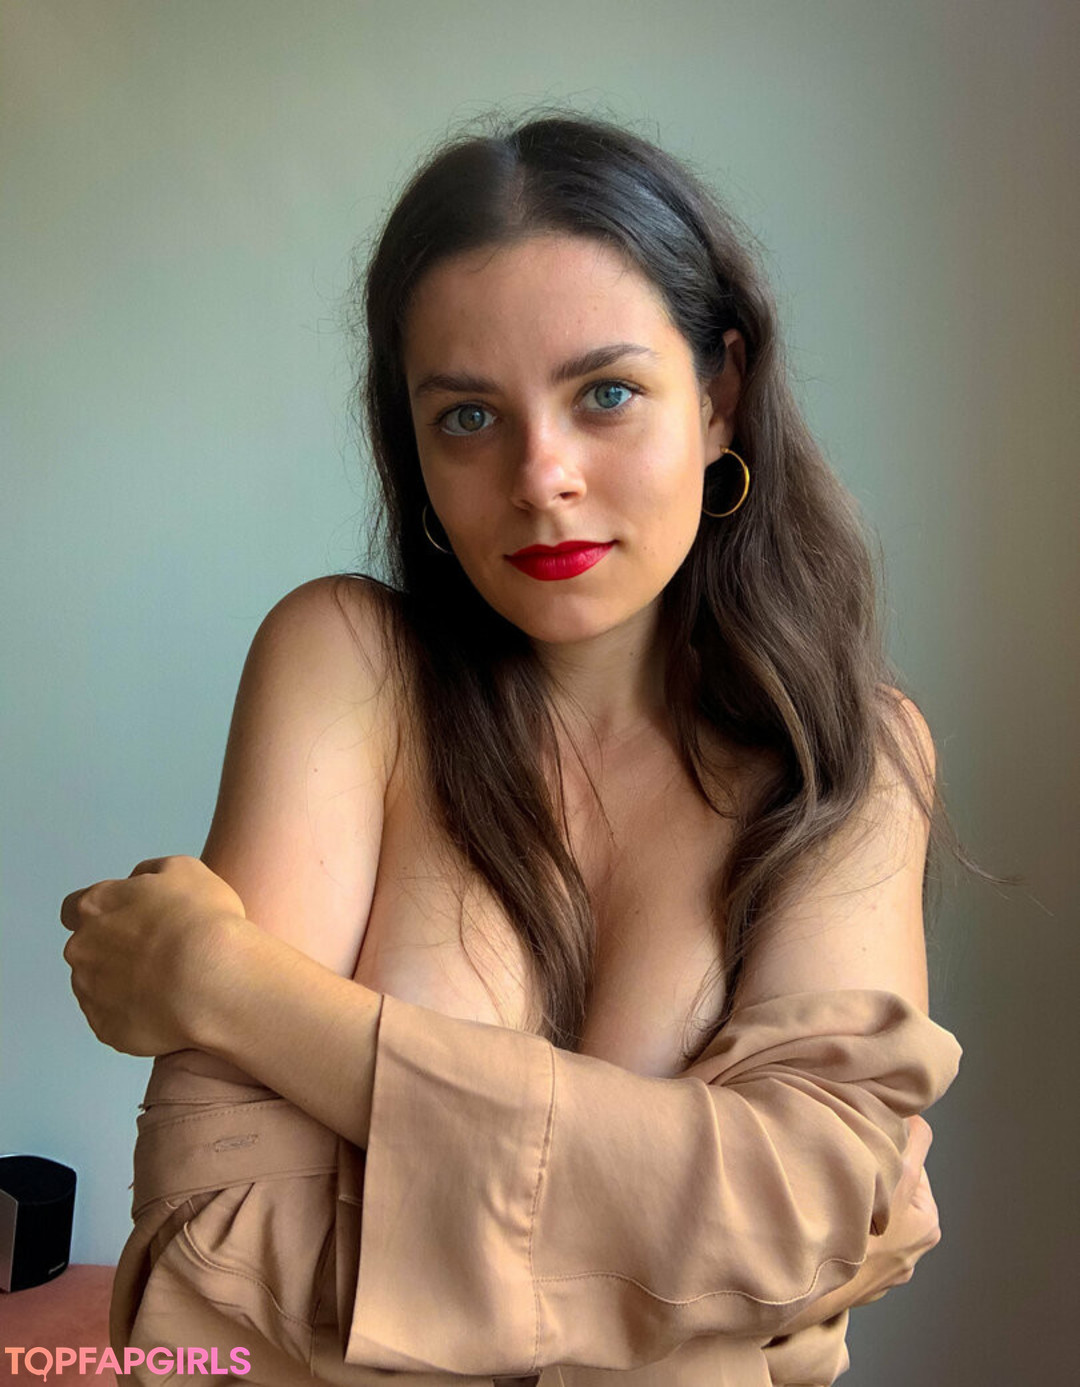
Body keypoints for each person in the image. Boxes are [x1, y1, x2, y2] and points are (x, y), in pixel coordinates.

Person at [60, 113, 964, 1386]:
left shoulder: (844, 755)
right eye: (470, 416)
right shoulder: (347, 667)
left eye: (606, 394)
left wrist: (234, 988)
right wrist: (703, 1275)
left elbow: (808, 1211)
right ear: (414, 445)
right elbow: (207, 1272)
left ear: (721, 397)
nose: (541, 475)